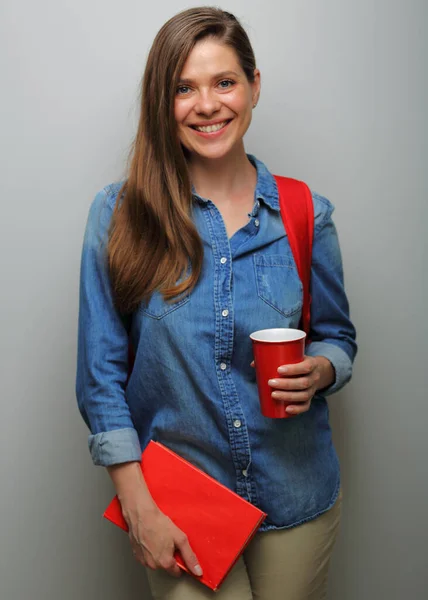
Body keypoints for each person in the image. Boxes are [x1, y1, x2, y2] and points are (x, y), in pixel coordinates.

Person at [76, 6, 357, 600]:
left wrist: (323, 370)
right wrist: (139, 509)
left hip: (297, 492)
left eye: (224, 82)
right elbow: (101, 379)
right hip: (179, 507)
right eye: (184, 88)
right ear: (163, 101)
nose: (207, 105)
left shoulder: (307, 213)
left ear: (254, 87)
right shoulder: (120, 215)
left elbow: (337, 336)